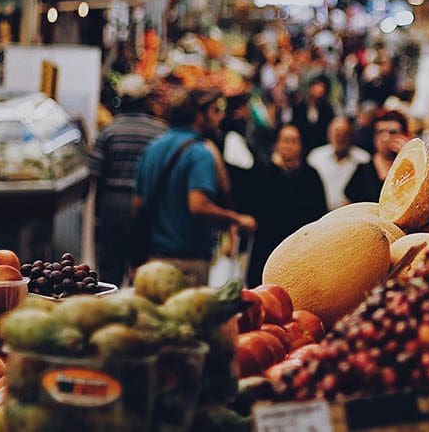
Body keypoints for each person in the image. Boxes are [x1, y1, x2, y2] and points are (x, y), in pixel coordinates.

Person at [133, 89, 257, 287]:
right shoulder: (200, 153)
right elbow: (199, 206)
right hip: (187, 264)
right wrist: (237, 219)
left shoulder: (153, 148)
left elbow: (137, 203)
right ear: (200, 115)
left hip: (154, 261)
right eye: (215, 111)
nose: (220, 117)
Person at [88, 74, 167, 287]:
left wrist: (96, 215)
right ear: (145, 101)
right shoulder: (160, 132)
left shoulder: (109, 131)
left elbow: (94, 173)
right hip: (148, 207)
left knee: (109, 272)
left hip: (113, 206)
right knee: (144, 272)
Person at [244, 124, 327, 286]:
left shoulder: (311, 176)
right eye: (285, 141)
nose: (289, 146)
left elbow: (319, 213)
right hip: (266, 247)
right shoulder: (263, 171)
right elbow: (251, 205)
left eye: (294, 141)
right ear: (277, 144)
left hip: (299, 250)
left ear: (301, 146)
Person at [345, 109, 410, 203]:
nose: (385, 138)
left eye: (393, 132)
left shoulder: (408, 169)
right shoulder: (363, 169)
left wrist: (408, 155)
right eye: (380, 132)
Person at [306, 117, 371, 210]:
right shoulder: (315, 158)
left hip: (352, 216)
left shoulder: (363, 159)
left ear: (351, 135)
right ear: (329, 134)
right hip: (318, 214)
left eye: (344, 133)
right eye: (337, 132)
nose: (340, 137)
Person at [293, 75, 335, 153]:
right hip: (303, 145)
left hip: (321, 147)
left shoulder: (328, 109)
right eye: (317, 86)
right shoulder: (300, 107)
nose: (319, 90)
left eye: (322, 87)